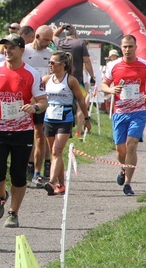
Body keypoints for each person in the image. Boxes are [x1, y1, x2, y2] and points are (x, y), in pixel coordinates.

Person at [0, 33, 47, 228]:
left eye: (12, 47)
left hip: (22, 131)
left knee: (18, 174)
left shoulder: (31, 73)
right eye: (5, 47)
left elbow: (43, 101)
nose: (7, 50)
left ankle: (13, 213)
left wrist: (35, 108)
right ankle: (1, 196)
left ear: (22, 50)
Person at [101, 34, 146, 196]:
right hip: (119, 112)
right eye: (124, 47)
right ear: (121, 47)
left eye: (130, 46)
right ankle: (123, 167)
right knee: (120, 151)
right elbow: (103, 84)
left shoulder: (145, 65)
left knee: (131, 144)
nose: (127, 50)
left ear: (135, 47)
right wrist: (111, 90)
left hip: (138, 111)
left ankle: (128, 184)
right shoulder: (114, 65)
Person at [42, 51, 91, 195]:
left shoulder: (71, 80)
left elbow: (81, 99)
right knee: (55, 153)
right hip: (49, 118)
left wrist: (87, 119)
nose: (50, 65)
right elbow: (37, 98)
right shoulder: (46, 79)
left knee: (56, 151)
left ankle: (51, 182)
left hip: (65, 118)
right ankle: (61, 185)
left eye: (53, 63)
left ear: (62, 65)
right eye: (49, 62)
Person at [21, 25, 54, 186]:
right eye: (46, 39)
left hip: (42, 100)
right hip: (25, 99)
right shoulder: (24, 50)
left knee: (40, 135)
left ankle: (37, 171)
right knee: (24, 134)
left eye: (50, 40)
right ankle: (26, 165)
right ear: (37, 36)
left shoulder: (50, 54)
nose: (48, 43)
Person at [54, 24, 96, 137]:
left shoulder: (60, 42)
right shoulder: (80, 43)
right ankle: (78, 130)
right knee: (81, 103)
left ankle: (62, 130)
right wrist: (92, 76)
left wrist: (61, 28)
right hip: (77, 80)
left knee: (63, 104)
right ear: (75, 34)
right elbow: (86, 61)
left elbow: (54, 35)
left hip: (62, 79)